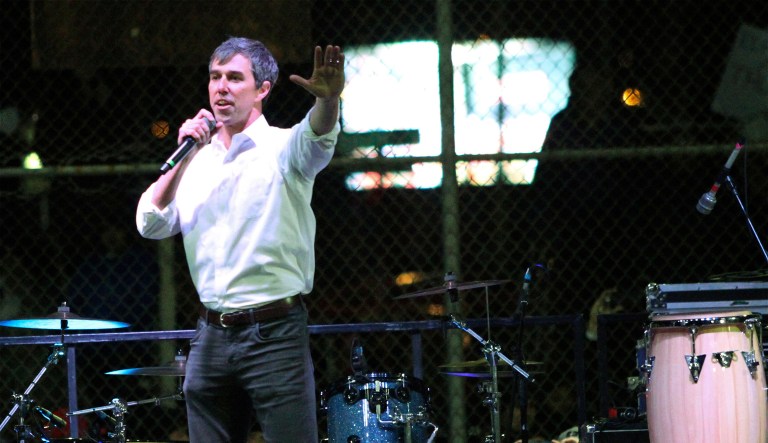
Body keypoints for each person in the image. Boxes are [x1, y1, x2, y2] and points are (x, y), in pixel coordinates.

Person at [135, 37, 344, 443]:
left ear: (262, 89)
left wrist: (328, 100)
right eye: (215, 77)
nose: (221, 88)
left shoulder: (284, 148)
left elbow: (318, 135)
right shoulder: (197, 160)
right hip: (211, 333)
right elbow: (151, 223)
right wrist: (186, 154)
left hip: (274, 333)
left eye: (234, 78)